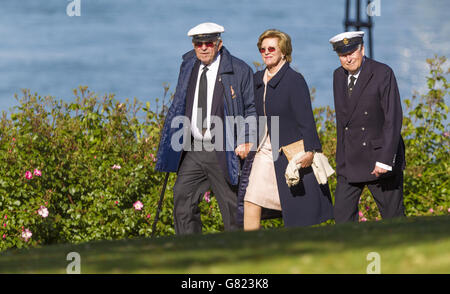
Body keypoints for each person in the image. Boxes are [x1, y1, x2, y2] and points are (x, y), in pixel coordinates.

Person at [155, 22, 256, 234]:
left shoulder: (238, 70)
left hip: (223, 147)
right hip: (194, 148)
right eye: (198, 43)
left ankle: (239, 254)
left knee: (231, 206)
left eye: (208, 43)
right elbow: (180, 102)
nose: (203, 47)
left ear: (219, 44)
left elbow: (251, 109)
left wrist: (247, 139)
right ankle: (191, 252)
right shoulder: (188, 65)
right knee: (182, 197)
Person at [238, 29, 334, 230]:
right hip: (264, 153)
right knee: (251, 200)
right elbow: (248, 111)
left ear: (283, 51)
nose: (266, 52)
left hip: (290, 153)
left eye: (271, 48)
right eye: (262, 49)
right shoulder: (257, 80)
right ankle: (248, 250)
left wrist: (311, 150)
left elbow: (306, 119)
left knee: (297, 211)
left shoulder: (294, 80)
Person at [329, 31, 406, 223]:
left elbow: (393, 118)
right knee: (341, 217)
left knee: (393, 219)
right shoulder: (338, 76)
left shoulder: (382, 73)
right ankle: (348, 252)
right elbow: (342, 123)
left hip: (379, 161)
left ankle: (404, 251)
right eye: (342, 55)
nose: (348, 58)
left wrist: (385, 160)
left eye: (352, 52)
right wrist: (341, 162)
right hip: (350, 162)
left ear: (362, 49)